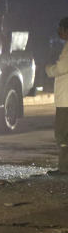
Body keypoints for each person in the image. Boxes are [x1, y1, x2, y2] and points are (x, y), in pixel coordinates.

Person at [45, 17, 68, 176]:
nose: (59, 32)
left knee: (62, 134)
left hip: (66, 99)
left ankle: (64, 168)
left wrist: (48, 69)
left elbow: (61, 67)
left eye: (61, 29)